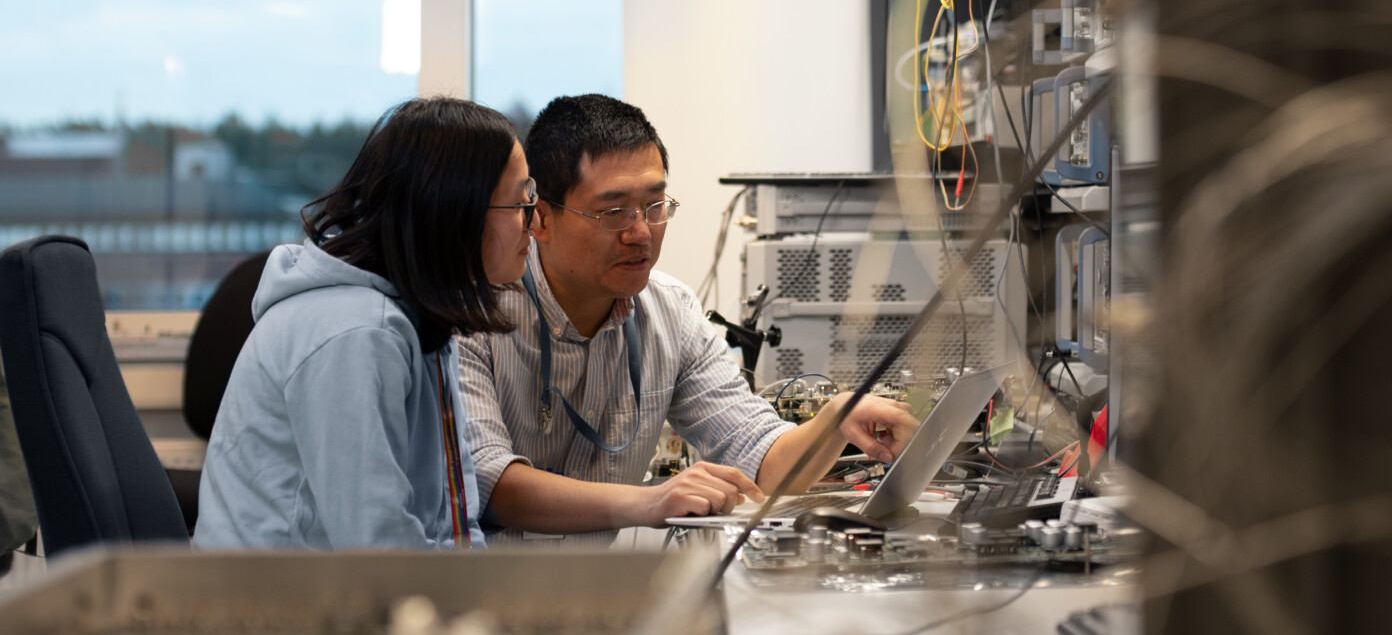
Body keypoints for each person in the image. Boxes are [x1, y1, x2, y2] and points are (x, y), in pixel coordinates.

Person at [456, 94, 918, 539]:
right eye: (613, 212)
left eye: (655, 206)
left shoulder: (670, 313)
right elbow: (489, 484)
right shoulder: (471, 314)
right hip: (479, 586)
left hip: (598, 585)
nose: (641, 233)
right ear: (540, 218)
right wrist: (648, 501)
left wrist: (834, 420)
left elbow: (761, 455)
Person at [196, 97, 535, 549]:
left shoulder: (417, 315)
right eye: (520, 203)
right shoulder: (356, 335)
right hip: (285, 594)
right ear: (455, 211)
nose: (534, 221)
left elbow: (453, 517)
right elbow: (377, 548)